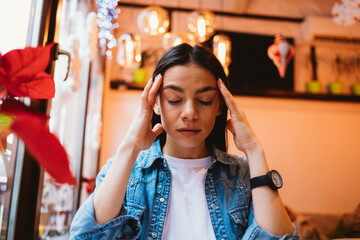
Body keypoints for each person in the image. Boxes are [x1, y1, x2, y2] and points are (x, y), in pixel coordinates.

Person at [70, 43, 298, 239]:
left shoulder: (242, 176)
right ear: (156, 103)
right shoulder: (126, 173)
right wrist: (131, 146)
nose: (190, 112)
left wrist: (255, 151)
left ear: (220, 105)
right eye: (174, 99)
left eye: (205, 100)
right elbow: (85, 236)